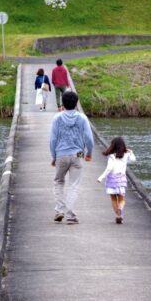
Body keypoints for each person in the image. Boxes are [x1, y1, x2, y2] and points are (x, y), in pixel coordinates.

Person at [49, 91, 94, 224]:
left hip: (61, 154)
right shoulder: (82, 118)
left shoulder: (57, 118)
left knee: (58, 182)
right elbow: (89, 138)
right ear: (76, 103)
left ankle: (59, 210)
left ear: (62, 103)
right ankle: (71, 216)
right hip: (78, 153)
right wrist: (89, 153)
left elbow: (53, 139)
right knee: (73, 185)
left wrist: (53, 156)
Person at [97, 137, 136, 224]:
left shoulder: (111, 156)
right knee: (122, 199)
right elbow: (133, 160)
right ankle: (120, 210)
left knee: (114, 199)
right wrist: (131, 152)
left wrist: (101, 177)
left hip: (112, 180)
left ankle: (118, 215)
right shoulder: (126, 154)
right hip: (121, 179)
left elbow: (109, 168)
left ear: (112, 146)